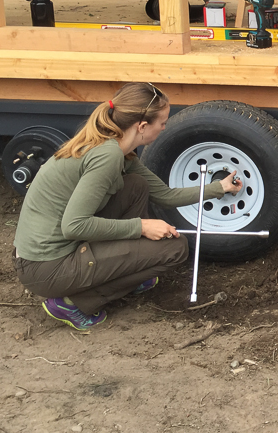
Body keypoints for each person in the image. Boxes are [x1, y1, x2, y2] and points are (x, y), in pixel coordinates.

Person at [13, 82, 241, 330]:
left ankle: (129, 273)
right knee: (175, 248)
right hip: (46, 267)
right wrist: (141, 227)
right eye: (162, 122)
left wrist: (220, 188)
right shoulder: (107, 156)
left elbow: (165, 195)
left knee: (135, 186)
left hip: (52, 254)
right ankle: (72, 303)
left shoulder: (118, 149)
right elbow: (74, 226)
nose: (164, 128)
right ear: (142, 126)